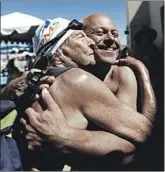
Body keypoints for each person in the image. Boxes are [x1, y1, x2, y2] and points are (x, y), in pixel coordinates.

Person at [13, 14, 156, 170]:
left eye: (115, 34)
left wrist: (66, 138)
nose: (91, 44)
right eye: (83, 36)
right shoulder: (77, 79)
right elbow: (138, 138)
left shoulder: (35, 82)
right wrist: (65, 138)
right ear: (61, 49)